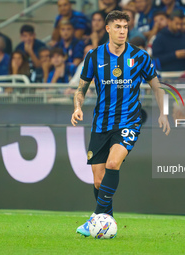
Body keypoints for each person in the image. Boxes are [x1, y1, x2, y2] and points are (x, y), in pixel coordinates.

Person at [71, 10, 170, 237]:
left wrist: (163, 112)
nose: (122, 31)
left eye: (125, 27)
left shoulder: (141, 57)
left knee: (113, 164)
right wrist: (77, 107)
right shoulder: (94, 56)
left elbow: (157, 86)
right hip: (101, 123)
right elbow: (81, 88)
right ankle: (108, 223)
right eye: (117, 27)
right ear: (107, 29)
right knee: (98, 181)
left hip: (129, 121)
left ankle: (95, 219)